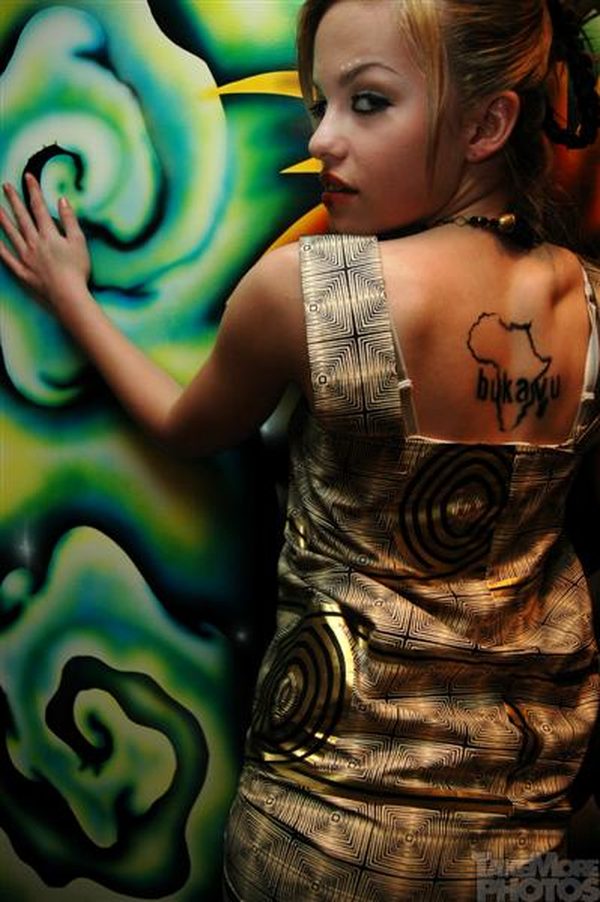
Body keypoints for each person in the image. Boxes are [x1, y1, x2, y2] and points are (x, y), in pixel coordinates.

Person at [2, 0, 600, 898]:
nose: (321, 138)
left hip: (322, 842)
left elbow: (187, 428)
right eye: (322, 103)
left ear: (487, 125)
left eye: (368, 102)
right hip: (525, 856)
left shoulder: (315, 292)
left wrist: (71, 298)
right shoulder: (589, 303)